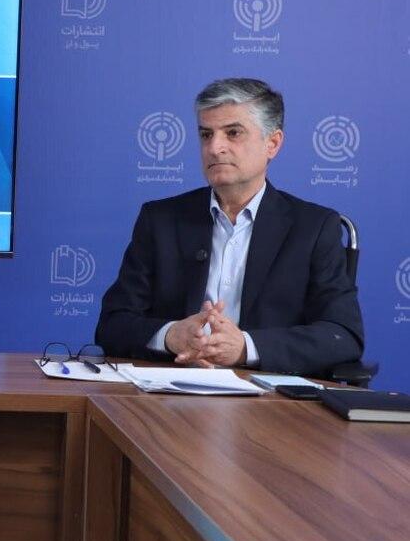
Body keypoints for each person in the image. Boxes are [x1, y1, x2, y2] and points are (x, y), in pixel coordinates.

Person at [96, 78, 363, 376]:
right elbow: (112, 325)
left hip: (267, 394)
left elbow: (342, 335)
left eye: (233, 133)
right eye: (206, 134)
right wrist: (171, 336)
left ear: (272, 143)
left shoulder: (313, 228)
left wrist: (246, 348)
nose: (215, 147)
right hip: (170, 386)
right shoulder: (160, 220)